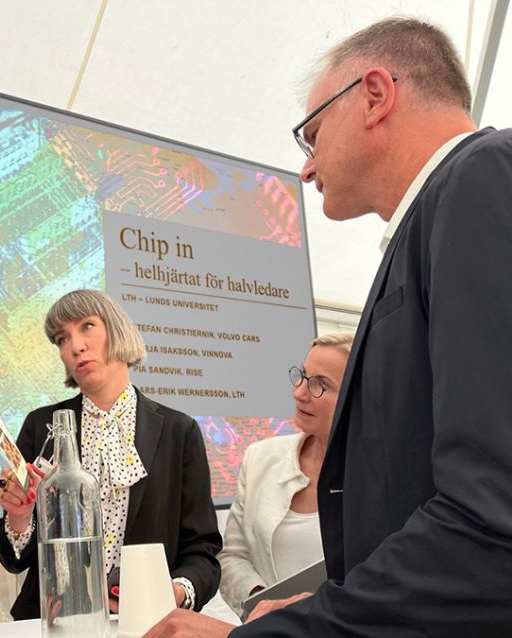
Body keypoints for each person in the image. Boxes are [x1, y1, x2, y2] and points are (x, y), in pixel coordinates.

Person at [146, 16, 512, 637]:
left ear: (375, 95)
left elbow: (490, 519)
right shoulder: (434, 217)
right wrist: (323, 597)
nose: (307, 170)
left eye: (311, 136)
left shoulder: (481, 177)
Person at [0, 289, 222, 620]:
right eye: (61, 339)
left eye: (87, 326)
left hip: (144, 622)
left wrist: (175, 592)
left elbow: (202, 549)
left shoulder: (178, 431)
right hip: (54, 623)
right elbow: (14, 560)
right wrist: (18, 516)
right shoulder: (42, 425)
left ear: (117, 330)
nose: (75, 346)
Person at [218, 333, 352, 615]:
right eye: (303, 376)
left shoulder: (384, 478)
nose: (299, 392)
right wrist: (261, 600)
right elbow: (233, 557)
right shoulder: (260, 459)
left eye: (320, 385)